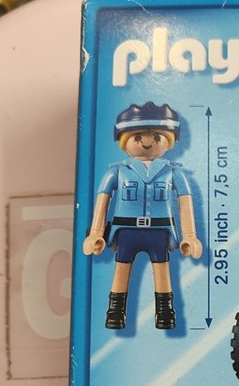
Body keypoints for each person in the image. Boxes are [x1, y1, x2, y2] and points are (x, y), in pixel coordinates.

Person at [83, 101, 202, 330]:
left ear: (169, 140)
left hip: (159, 231)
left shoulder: (173, 173)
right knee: (121, 268)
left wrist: (189, 235)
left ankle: (165, 312)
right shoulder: (117, 172)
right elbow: (102, 201)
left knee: (162, 269)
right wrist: (96, 233)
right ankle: (115, 312)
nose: (147, 142)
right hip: (125, 231)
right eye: (138, 136)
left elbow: (185, 202)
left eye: (157, 137)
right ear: (124, 140)